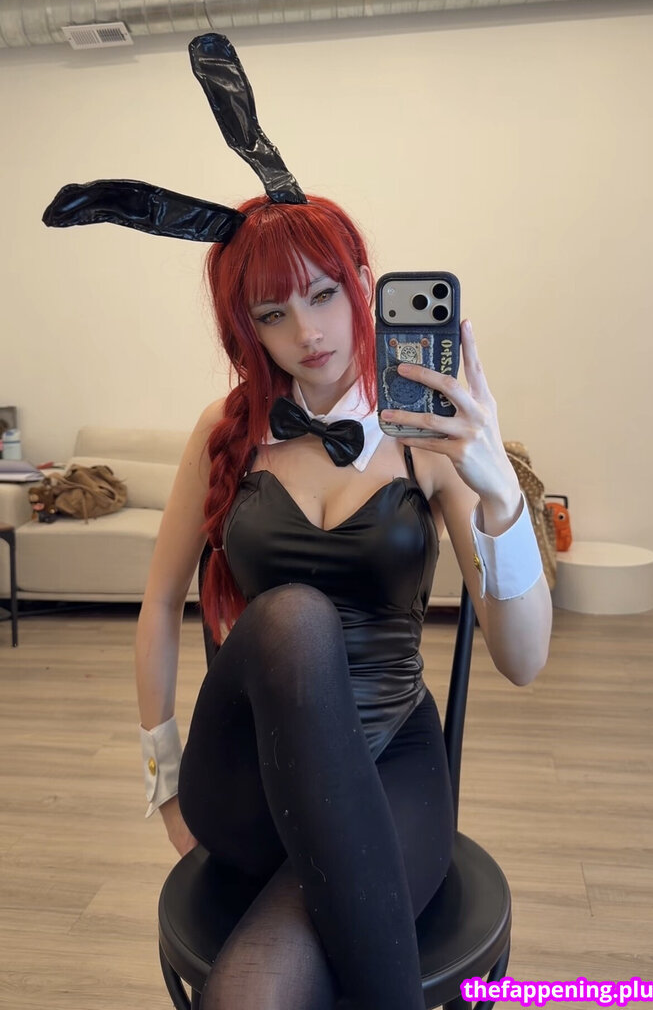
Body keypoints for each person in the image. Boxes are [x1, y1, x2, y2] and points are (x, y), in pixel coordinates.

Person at [134, 192, 552, 1010]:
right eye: (273, 313)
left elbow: (524, 662)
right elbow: (157, 608)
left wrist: (501, 495)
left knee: (257, 988)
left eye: (323, 294)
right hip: (247, 775)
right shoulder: (224, 430)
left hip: (388, 763)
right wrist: (166, 787)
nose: (307, 331)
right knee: (293, 616)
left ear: (363, 285)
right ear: (248, 328)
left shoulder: (427, 437)